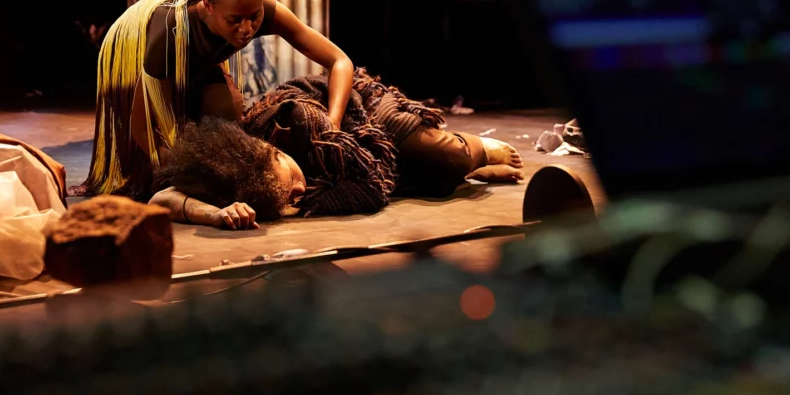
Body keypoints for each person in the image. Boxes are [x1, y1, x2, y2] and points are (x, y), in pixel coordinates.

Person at [76, 0, 353, 201]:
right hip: (133, 47)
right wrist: (184, 177)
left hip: (197, 57)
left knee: (227, 109)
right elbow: (142, 127)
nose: (246, 29)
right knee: (153, 163)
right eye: (235, 20)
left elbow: (339, 60)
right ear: (209, 6)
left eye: (253, 17)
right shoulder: (170, 33)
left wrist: (332, 124)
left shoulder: (262, 11)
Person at [149, 69, 525, 229]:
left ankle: (480, 150)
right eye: (287, 199)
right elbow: (161, 199)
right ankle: (469, 175)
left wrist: (305, 204)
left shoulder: (298, 121)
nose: (297, 195)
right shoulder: (241, 176)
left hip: (361, 123)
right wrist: (214, 216)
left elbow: (370, 181)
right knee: (422, 184)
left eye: (291, 186)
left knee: (443, 157)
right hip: (366, 163)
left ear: (275, 153)